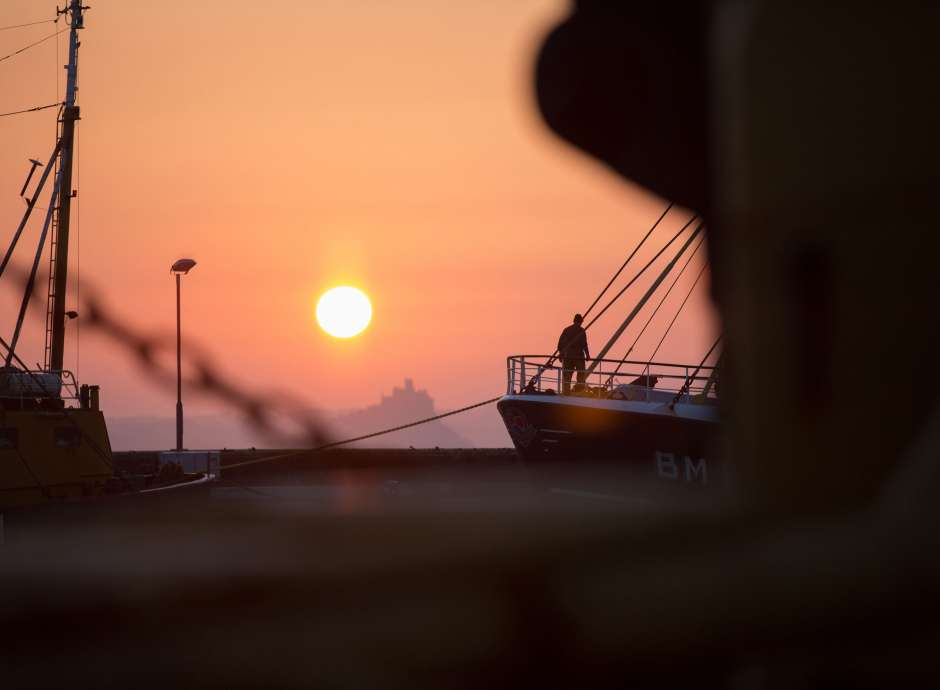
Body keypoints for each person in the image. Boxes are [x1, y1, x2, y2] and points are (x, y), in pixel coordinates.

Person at [557, 314, 590, 394]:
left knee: (567, 375)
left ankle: (566, 392)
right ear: (581, 321)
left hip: (568, 357)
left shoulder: (567, 330)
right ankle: (579, 391)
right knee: (581, 374)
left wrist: (561, 354)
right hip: (578, 357)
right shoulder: (581, 330)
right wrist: (587, 355)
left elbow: (560, 344)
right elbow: (584, 344)